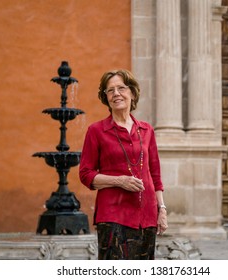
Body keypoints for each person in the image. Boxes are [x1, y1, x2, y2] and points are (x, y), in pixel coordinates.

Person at [79, 69, 168, 260]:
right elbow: (86, 174)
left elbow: (155, 175)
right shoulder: (96, 131)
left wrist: (162, 209)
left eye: (121, 88)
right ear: (105, 97)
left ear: (132, 93)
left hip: (147, 215)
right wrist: (120, 181)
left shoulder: (147, 130)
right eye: (110, 90)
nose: (116, 94)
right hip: (112, 215)